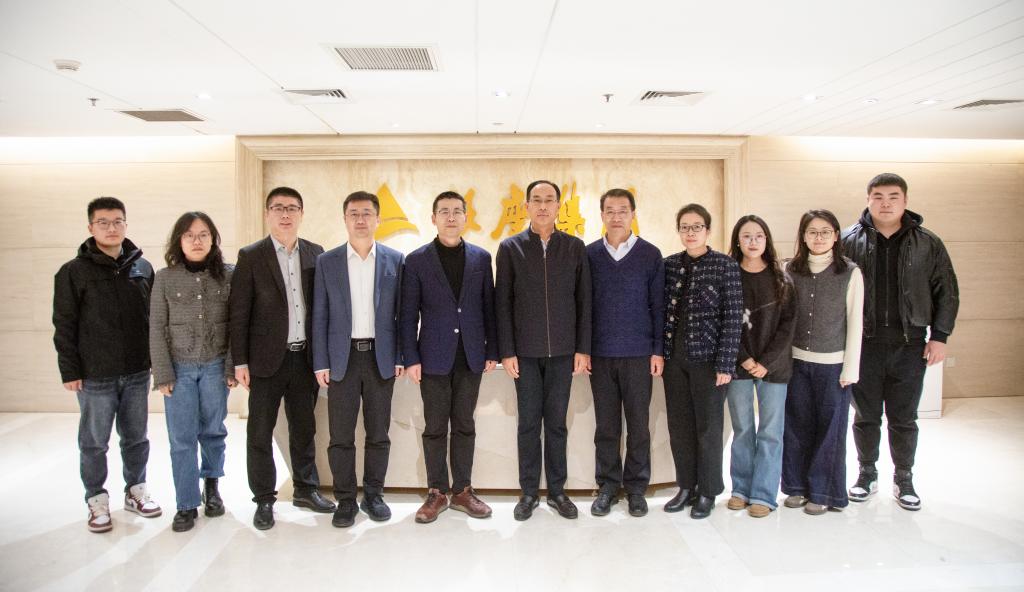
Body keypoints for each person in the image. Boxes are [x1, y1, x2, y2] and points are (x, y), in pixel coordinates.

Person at [842, 173, 959, 511]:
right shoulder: (848, 240)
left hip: (910, 344)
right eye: (878, 196)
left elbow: (946, 291)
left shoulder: (928, 242)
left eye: (893, 197)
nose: (885, 203)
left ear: (905, 201)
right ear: (868, 200)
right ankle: (866, 474)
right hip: (863, 345)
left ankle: (904, 478)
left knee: (904, 417)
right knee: (865, 416)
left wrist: (940, 337)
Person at [53, 196, 162, 533]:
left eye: (117, 221)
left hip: (136, 371)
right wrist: (70, 370)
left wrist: (156, 362)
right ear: (91, 227)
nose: (111, 228)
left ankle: (136, 490)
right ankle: (96, 499)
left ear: (126, 224)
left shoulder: (142, 268)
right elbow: (64, 324)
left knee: (136, 437)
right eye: (103, 222)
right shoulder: (72, 272)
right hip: (94, 374)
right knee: (94, 442)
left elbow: (154, 321)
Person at [230, 186, 335, 531]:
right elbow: (239, 313)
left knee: (304, 427)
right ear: (267, 214)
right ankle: (264, 498)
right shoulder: (251, 256)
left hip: (304, 358)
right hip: (265, 361)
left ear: (301, 214)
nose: (285, 214)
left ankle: (306, 489)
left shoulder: (316, 254)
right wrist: (240, 362)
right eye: (278, 208)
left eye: (292, 208)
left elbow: (323, 310)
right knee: (260, 431)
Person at [496, 179, 592, 521]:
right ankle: (528, 493)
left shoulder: (574, 247)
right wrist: (507, 350)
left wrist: (583, 348)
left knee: (556, 424)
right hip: (524, 353)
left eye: (549, 200)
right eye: (536, 200)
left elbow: (584, 301)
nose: (542, 206)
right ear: (526, 207)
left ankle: (557, 492)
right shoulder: (511, 248)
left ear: (558, 207)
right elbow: (502, 302)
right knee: (528, 424)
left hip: (564, 352)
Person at [401, 191, 498, 524]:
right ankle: (437, 492)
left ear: (466, 218)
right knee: (435, 427)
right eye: (444, 211)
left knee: (465, 425)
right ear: (434, 218)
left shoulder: (481, 258)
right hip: (432, 358)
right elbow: (407, 314)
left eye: (457, 211)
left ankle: (462, 491)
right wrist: (411, 357)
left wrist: (492, 350)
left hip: (471, 356)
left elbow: (489, 308)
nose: (451, 217)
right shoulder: (416, 260)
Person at [313, 191, 404, 528]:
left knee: (378, 433)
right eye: (354, 213)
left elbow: (403, 315)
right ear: (345, 219)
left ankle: (374, 495)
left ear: (378, 219)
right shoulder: (328, 261)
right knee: (341, 436)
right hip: (342, 359)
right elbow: (320, 315)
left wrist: (400, 355)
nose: (361, 219)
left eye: (367, 213)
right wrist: (320, 361)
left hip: (381, 358)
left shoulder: (395, 260)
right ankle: (346, 499)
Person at [149, 212, 236, 532]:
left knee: (213, 431)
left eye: (203, 235)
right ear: (179, 241)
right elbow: (156, 327)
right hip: (179, 369)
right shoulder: (164, 277)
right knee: (182, 438)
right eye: (189, 235)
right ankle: (186, 503)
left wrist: (231, 366)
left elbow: (237, 324)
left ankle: (212, 488)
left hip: (216, 366)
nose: (196, 241)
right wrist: (163, 373)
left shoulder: (229, 275)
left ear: (213, 239)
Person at [585, 188, 664, 518]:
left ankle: (635, 489)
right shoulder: (589, 254)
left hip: (639, 355)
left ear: (633, 214)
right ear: (602, 215)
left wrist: (657, 350)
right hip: (601, 355)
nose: (616, 216)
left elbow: (658, 306)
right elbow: (584, 307)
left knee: (638, 426)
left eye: (622, 210)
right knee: (606, 427)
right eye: (610, 210)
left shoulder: (650, 254)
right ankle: (607, 485)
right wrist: (584, 349)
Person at [661, 203, 742, 519]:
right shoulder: (669, 265)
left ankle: (708, 491)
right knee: (679, 427)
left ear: (708, 231)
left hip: (709, 362)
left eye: (696, 227)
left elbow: (733, 317)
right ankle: (686, 486)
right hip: (674, 361)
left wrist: (726, 363)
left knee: (709, 428)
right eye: (685, 227)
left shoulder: (725, 265)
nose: (690, 232)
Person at [781, 209, 863, 515]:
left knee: (830, 431)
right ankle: (796, 487)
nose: (819, 238)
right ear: (803, 236)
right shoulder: (790, 269)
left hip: (833, 365)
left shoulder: (850, 272)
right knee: (796, 426)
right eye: (812, 232)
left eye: (825, 232)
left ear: (836, 236)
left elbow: (855, 322)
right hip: (796, 362)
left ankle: (823, 491)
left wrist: (850, 368)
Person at [724, 215, 796, 518]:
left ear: (767, 240)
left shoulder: (782, 279)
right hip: (738, 365)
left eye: (759, 236)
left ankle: (764, 494)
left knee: (770, 431)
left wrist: (766, 362)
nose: (752, 242)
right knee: (742, 429)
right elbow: (725, 323)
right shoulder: (728, 276)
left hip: (774, 368)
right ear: (737, 241)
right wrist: (744, 358)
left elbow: (788, 325)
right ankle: (740, 489)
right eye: (746, 236)